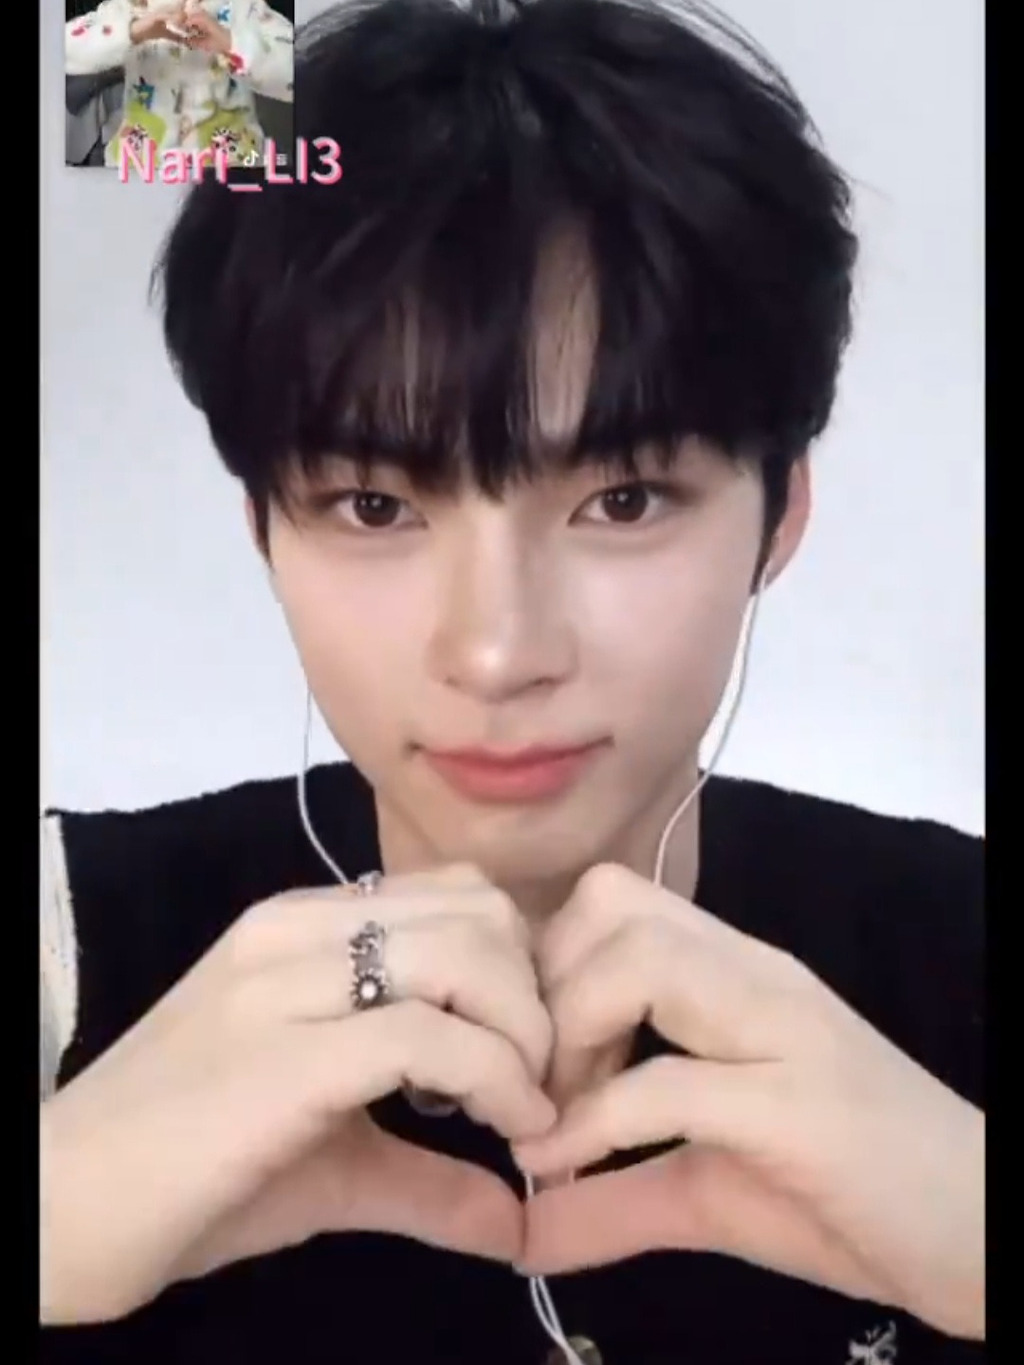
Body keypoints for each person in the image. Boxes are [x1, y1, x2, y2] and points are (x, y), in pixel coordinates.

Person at [39, 0, 984, 1361]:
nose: (495, 652)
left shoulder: (958, 944)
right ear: (263, 529)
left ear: (779, 517)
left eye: (623, 500)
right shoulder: (65, 943)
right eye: (373, 506)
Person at [64, 0, 293, 169]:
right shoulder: (123, 10)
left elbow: (296, 71)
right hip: (137, 166)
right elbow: (63, 51)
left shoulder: (243, 8)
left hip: (232, 165)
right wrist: (133, 31)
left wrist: (229, 42)